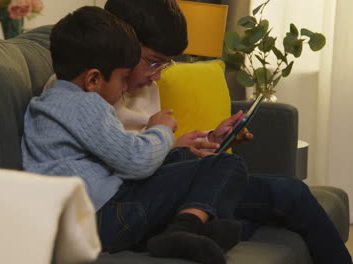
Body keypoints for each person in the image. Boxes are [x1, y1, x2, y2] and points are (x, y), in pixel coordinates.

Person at [98, 0, 352, 263]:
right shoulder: (86, 92)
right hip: (139, 198)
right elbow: (113, 167)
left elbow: (151, 145)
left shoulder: (146, 85)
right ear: (119, 44)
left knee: (291, 192)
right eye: (152, 62)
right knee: (237, 209)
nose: (157, 76)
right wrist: (170, 149)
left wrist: (208, 139)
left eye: (165, 65)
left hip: (170, 179)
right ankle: (193, 227)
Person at [22, 6, 249, 264]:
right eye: (123, 78)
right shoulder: (86, 104)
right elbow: (137, 162)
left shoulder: (44, 105)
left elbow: (118, 154)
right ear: (93, 79)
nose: (123, 89)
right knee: (227, 165)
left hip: (83, 220)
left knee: (185, 159)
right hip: (103, 217)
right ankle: (184, 228)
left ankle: (187, 230)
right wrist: (160, 130)